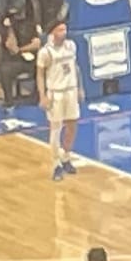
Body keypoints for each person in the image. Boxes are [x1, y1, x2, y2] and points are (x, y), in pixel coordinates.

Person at [38, 33, 82, 178]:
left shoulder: (71, 45)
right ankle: (56, 164)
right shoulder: (45, 52)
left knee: (72, 125)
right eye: (60, 29)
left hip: (71, 90)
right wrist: (42, 96)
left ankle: (66, 157)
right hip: (55, 93)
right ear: (53, 32)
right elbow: (40, 75)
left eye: (65, 28)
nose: (64, 32)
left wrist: (80, 87)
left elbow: (75, 67)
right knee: (55, 128)